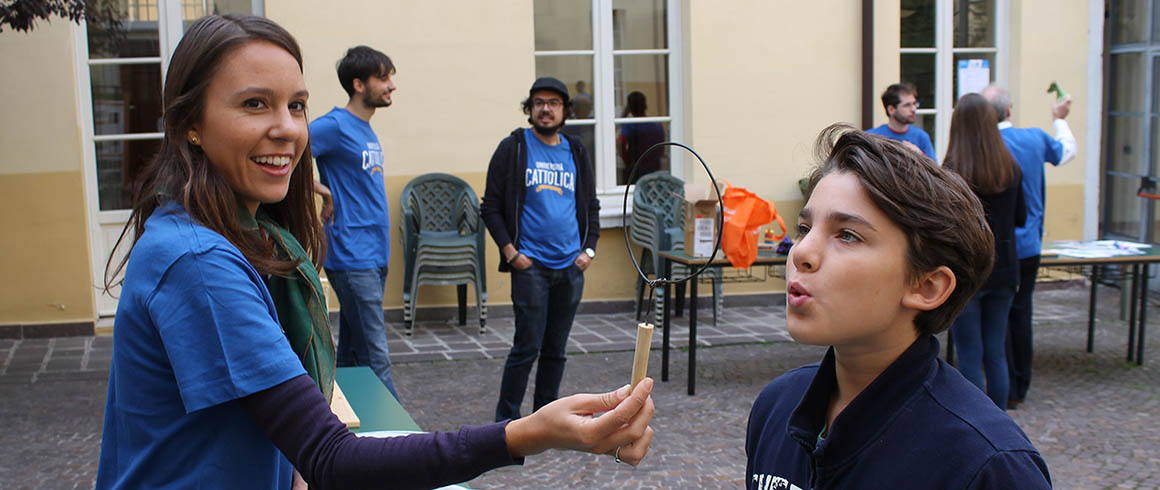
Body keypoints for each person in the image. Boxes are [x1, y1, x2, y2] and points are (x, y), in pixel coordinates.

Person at [96, 15, 654, 490]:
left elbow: (275, 436)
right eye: (254, 104)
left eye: (296, 105)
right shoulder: (199, 262)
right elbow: (331, 457)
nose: (287, 129)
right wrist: (527, 433)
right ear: (190, 124)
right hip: (362, 259)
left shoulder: (241, 234)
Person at [745, 124, 1051, 489]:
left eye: (847, 235)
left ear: (927, 286)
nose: (802, 252)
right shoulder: (777, 407)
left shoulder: (988, 466)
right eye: (804, 228)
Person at [481, 76, 601, 422]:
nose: (545, 109)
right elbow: (490, 207)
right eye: (539, 103)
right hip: (530, 266)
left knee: (555, 351)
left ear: (565, 110)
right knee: (526, 347)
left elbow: (590, 205)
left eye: (553, 103)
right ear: (530, 109)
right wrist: (511, 253)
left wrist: (589, 251)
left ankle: (547, 420)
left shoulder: (576, 150)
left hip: (570, 267)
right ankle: (506, 423)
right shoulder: (514, 148)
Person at [309, 46, 400, 400]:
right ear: (359, 84)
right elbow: (290, 154)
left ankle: (341, 423)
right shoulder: (333, 125)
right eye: (383, 78)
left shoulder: (364, 128)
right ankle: (402, 432)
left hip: (374, 253)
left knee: (351, 356)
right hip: (351, 254)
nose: (391, 85)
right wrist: (322, 191)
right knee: (377, 358)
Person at [981, 83, 1076, 410]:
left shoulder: (981, 147)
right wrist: (1059, 118)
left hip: (995, 247)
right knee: (1021, 313)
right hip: (1029, 245)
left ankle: (1002, 384)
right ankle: (1018, 384)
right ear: (1009, 110)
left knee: (996, 318)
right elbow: (1066, 152)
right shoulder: (1034, 139)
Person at [944, 93, 1026, 409]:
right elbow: (1021, 217)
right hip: (1005, 269)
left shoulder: (953, 172)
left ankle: (974, 419)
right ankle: (998, 418)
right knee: (995, 351)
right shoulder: (1010, 168)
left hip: (968, 272)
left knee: (969, 354)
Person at [865, 83, 937, 161]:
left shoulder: (921, 137)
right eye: (907, 105)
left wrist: (920, 155)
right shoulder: (872, 137)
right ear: (891, 109)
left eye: (914, 104)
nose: (913, 109)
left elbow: (935, 168)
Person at [617, 91, 666, 184]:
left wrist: (627, 162)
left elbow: (620, 142)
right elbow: (662, 146)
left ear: (630, 108)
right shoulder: (657, 124)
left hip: (637, 170)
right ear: (645, 105)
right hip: (655, 168)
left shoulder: (631, 125)